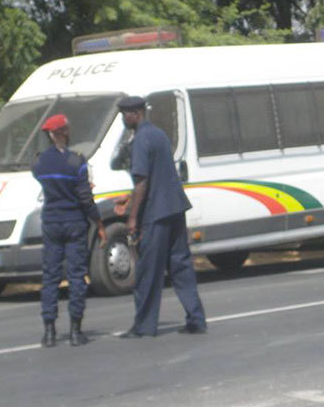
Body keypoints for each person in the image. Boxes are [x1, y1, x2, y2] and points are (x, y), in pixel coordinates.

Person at [113, 96, 206, 338]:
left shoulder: (141, 139)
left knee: (148, 271)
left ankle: (144, 326)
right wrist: (129, 198)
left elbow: (142, 181)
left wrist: (133, 218)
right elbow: (158, 176)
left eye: (125, 114)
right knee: (181, 266)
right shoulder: (158, 134)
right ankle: (196, 319)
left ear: (136, 113)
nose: (123, 118)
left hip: (156, 213)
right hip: (174, 208)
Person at [31, 113, 107, 347]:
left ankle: (50, 331)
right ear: (63, 132)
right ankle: (75, 331)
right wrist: (99, 222)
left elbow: (40, 178)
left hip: (51, 222)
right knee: (76, 276)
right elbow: (85, 197)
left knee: (51, 277)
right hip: (74, 223)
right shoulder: (77, 162)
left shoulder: (39, 162)